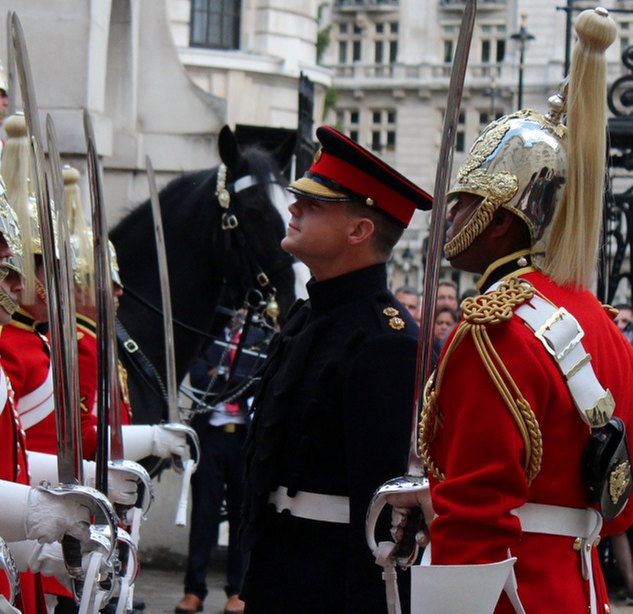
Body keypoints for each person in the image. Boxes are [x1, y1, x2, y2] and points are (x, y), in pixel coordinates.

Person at [390, 9, 633, 612]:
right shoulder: (600, 325)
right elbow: (619, 504)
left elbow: (474, 525)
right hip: (582, 592)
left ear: (498, 222)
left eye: (461, 205)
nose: (448, 221)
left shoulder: (495, 334)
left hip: (510, 595)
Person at [240, 125, 432, 611]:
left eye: (315, 205)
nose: (293, 209)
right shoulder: (307, 316)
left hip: (329, 587)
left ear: (359, 230)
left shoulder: (386, 342)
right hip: (275, 572)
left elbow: (379, 509)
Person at [176, 310, 268, 614]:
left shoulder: (260, 338)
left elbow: (259, 379)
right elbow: (200, 376)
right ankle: (194, 590)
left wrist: (227, 374)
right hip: (211, 437)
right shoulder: (208, 336)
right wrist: (234, 375)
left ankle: (238, 590)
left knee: (244, 516)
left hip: (243, 437)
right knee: (204, 514)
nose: (239, 312)